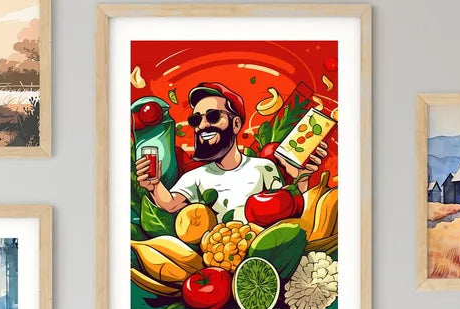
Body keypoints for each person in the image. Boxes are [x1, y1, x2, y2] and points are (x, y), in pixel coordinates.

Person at [136, 82, 327, 222]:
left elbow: (288, 210)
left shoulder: (263, 168)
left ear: (236, 124)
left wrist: (302, 180)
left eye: (212, 116)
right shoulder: (195, 177)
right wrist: (154, 185)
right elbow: (171, 204)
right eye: (196, 120)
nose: (203, 126)